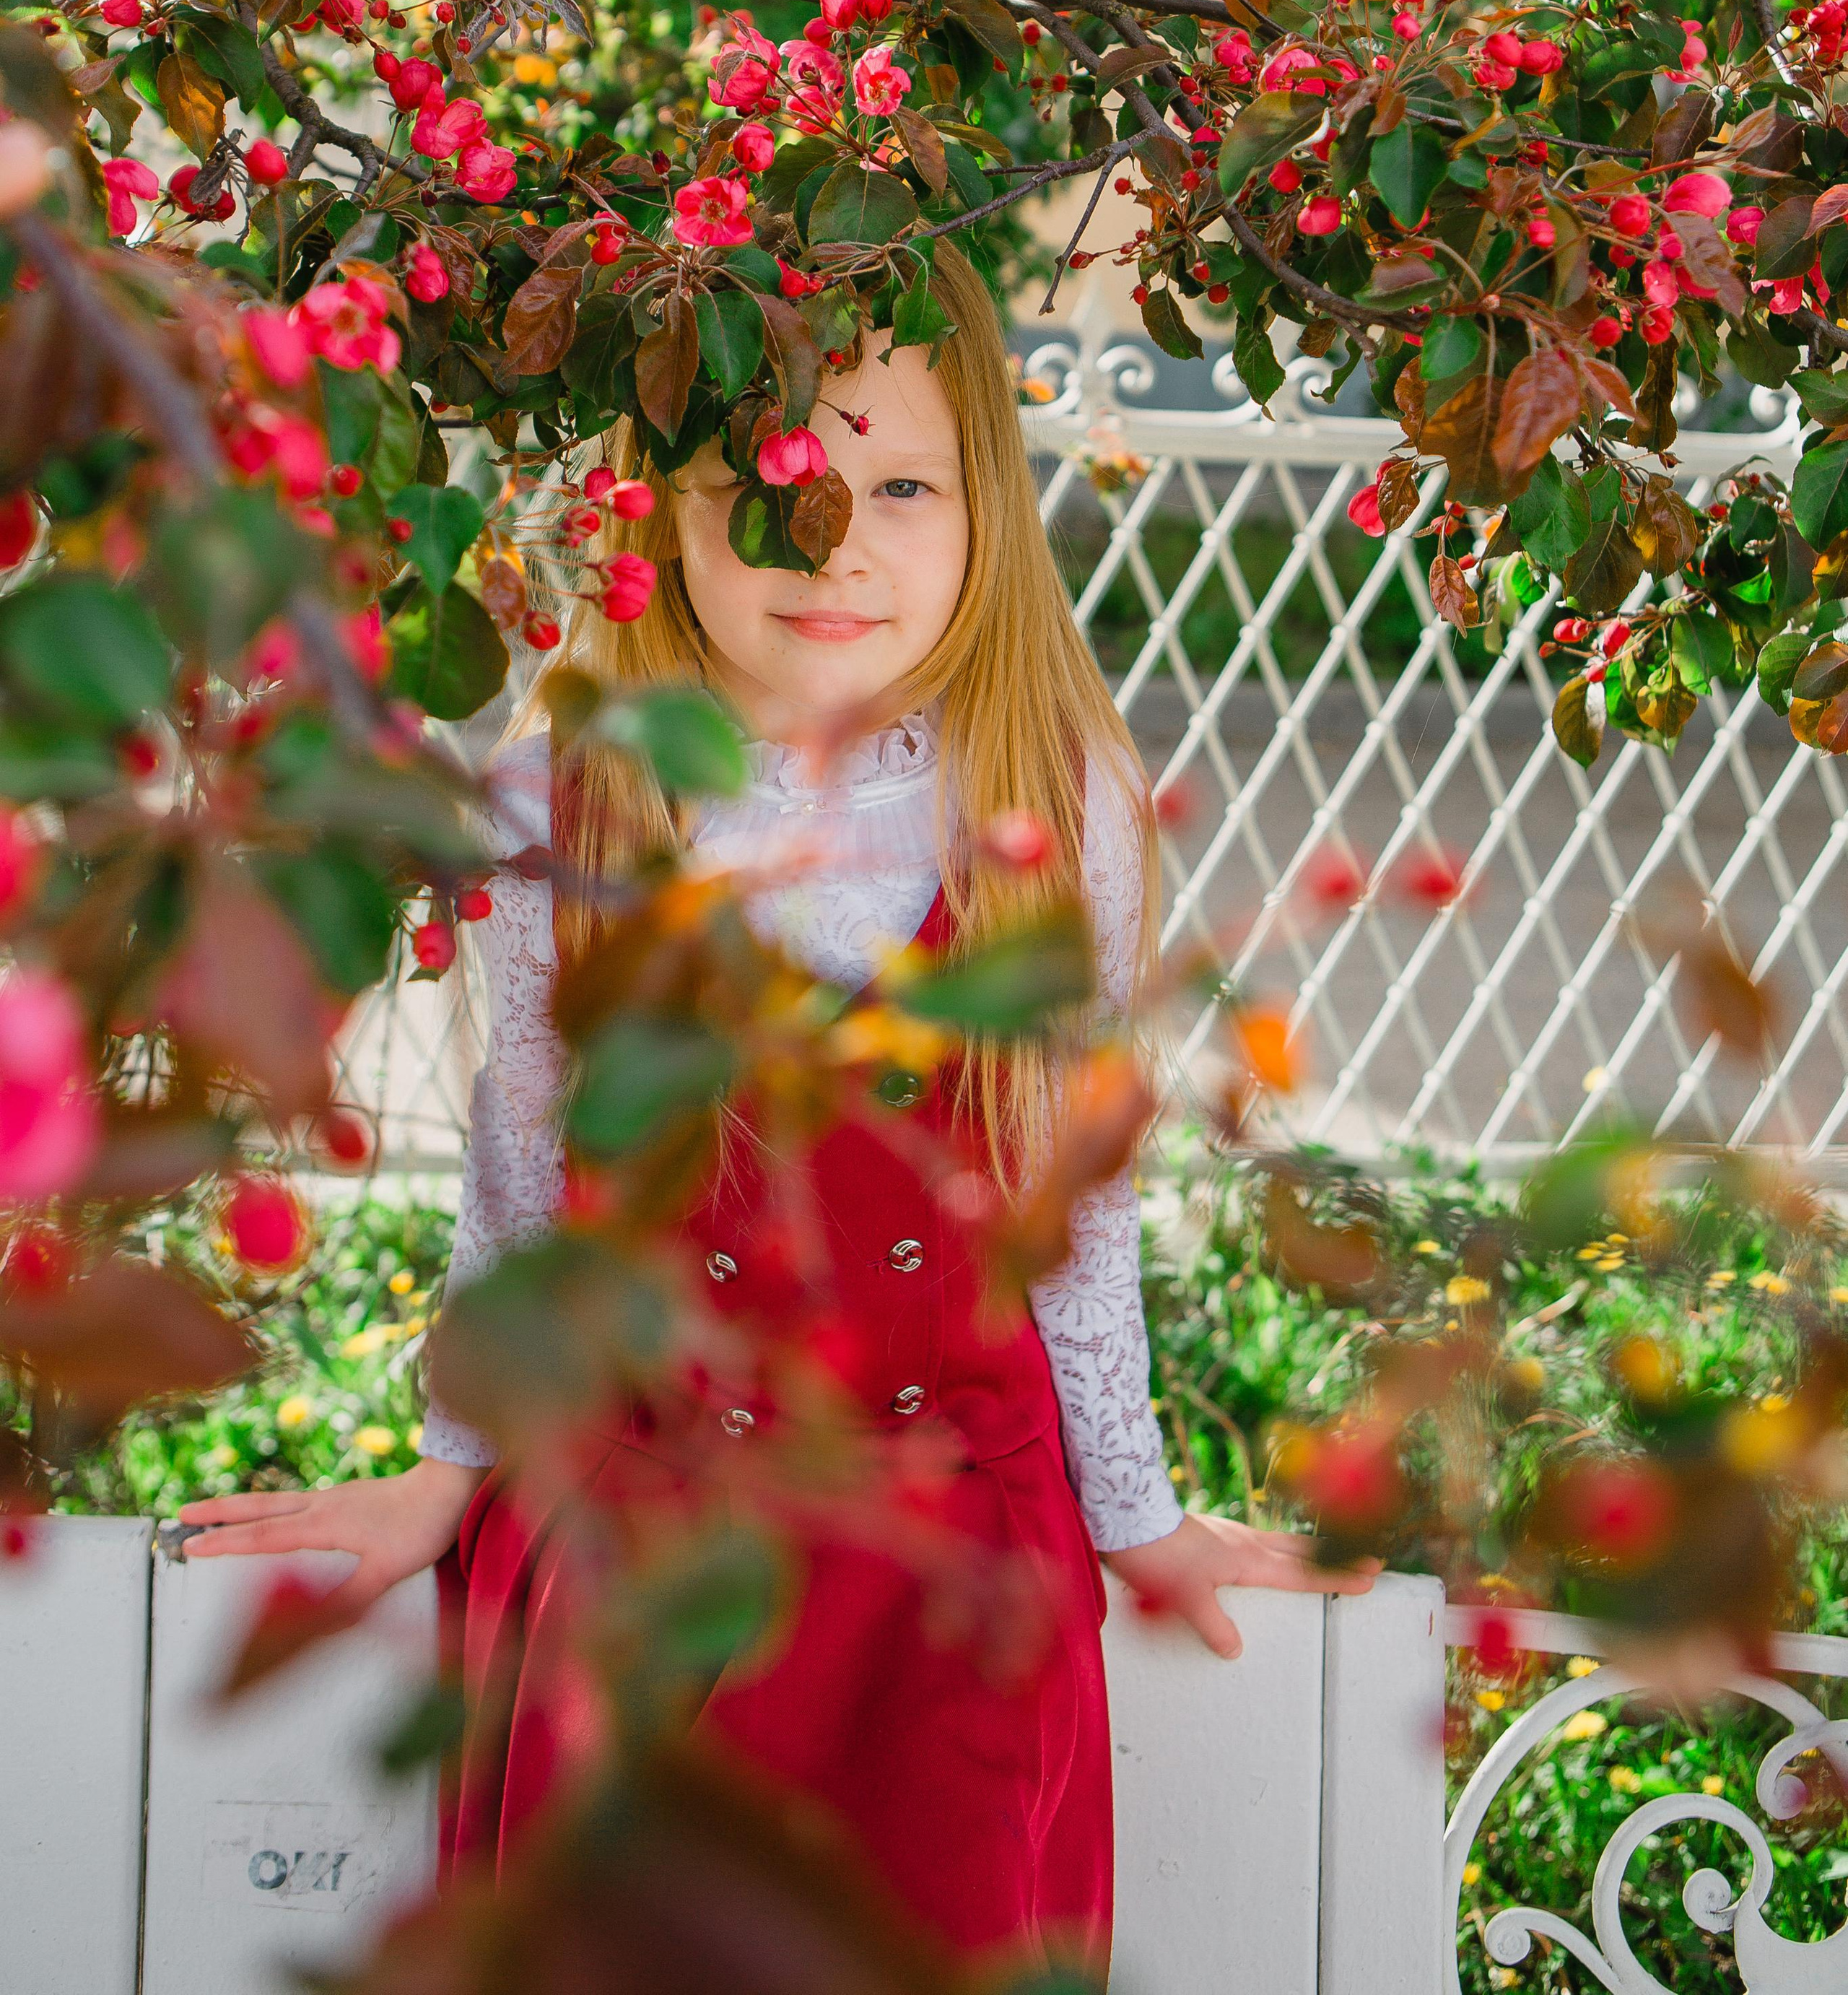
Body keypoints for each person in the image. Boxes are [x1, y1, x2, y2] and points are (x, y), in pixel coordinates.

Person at [178, 242, 1372, 1969]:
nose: (837, 545)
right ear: (661, 507)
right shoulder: (561, 795)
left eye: (900, 485)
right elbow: (524, 1174)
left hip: (953, 1557)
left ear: (986, 514)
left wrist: (1137, 1517)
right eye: (768, 483)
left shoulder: (1053, 794)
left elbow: (1069, 1197)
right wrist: (453, 1466)